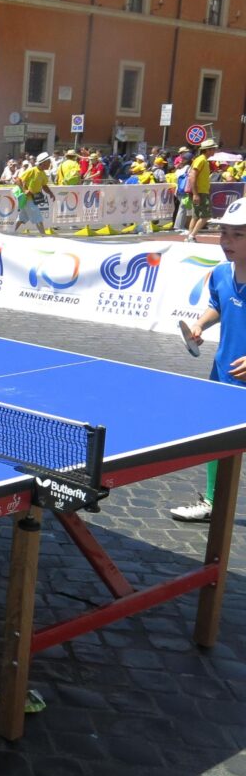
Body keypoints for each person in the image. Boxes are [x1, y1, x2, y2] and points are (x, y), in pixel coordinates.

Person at [172, 198, 246, 521]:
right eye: (224, 233)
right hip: (223, 373)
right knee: (217, 440)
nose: (226, 241)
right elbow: (219, 304)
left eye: (238, 235)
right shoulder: (219, 274)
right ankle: (213, 502)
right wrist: (200, 324)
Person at [186, 138, 217, 242]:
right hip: (200, 192)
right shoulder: (201, 160)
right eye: (213, 149)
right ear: (207, 150)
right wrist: (195, 194)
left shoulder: (203, 160)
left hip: (201, 191)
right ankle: (192, 236)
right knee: (205, 216)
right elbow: (192, 176)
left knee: (195, 216)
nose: (214, 151)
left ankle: (190, 236)